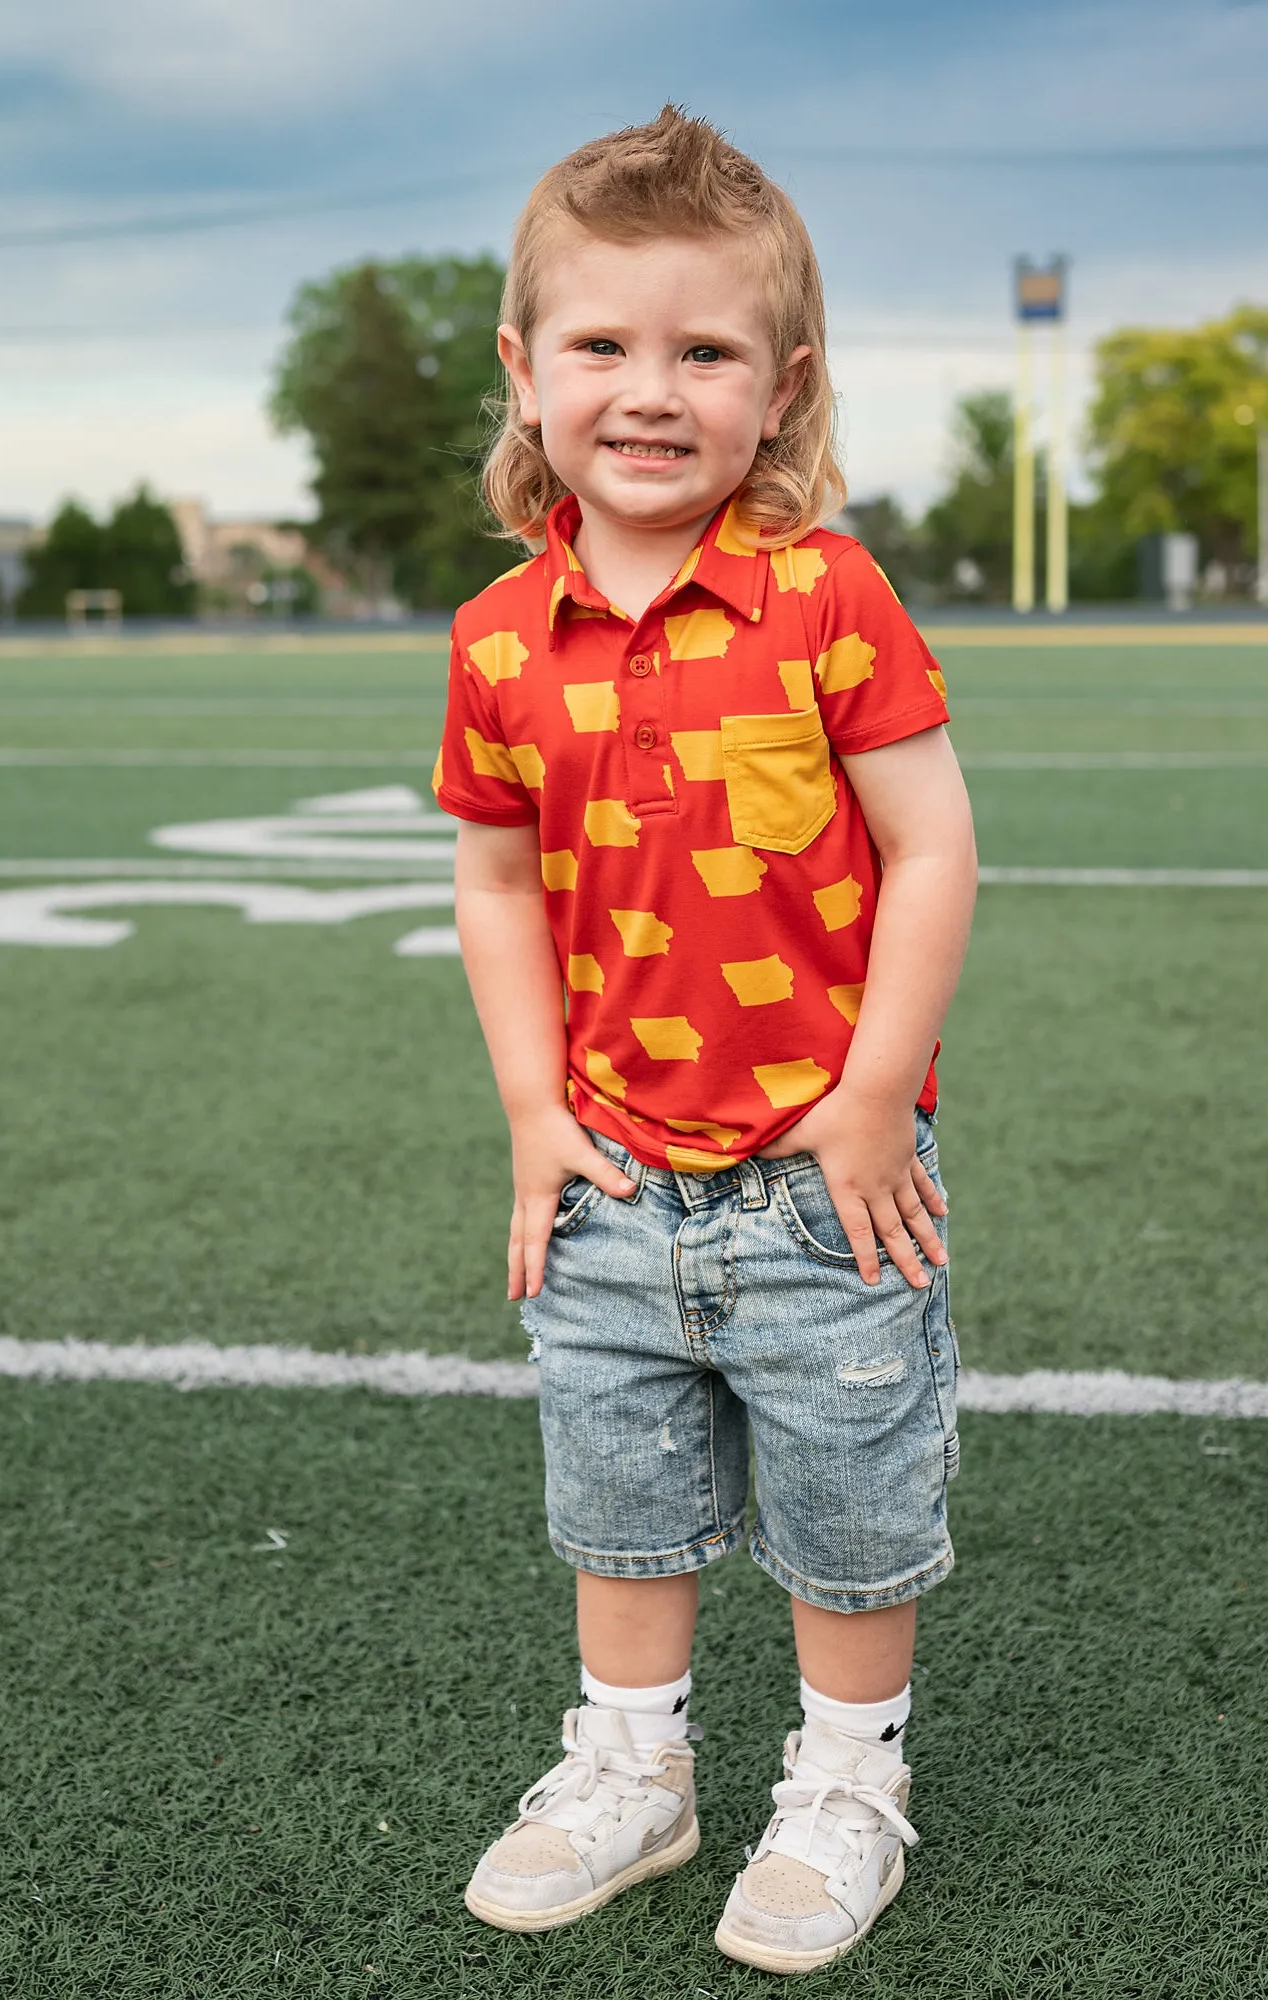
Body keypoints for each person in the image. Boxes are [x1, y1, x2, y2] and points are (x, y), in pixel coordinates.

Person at [431, 105, 978, 1978]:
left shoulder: (828, 594)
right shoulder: (500, 636)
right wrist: (528, 1115)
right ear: (524, 367)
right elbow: (497, 886)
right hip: (607, 1172)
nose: (648, 391)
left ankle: (845, 1784)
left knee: (849, 1508)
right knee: (622, 1499)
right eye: (602, 344)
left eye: (704, 351)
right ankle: (635, 1767)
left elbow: (933, 845)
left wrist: (873, 1100)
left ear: (784, 384)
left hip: (823, 1180)